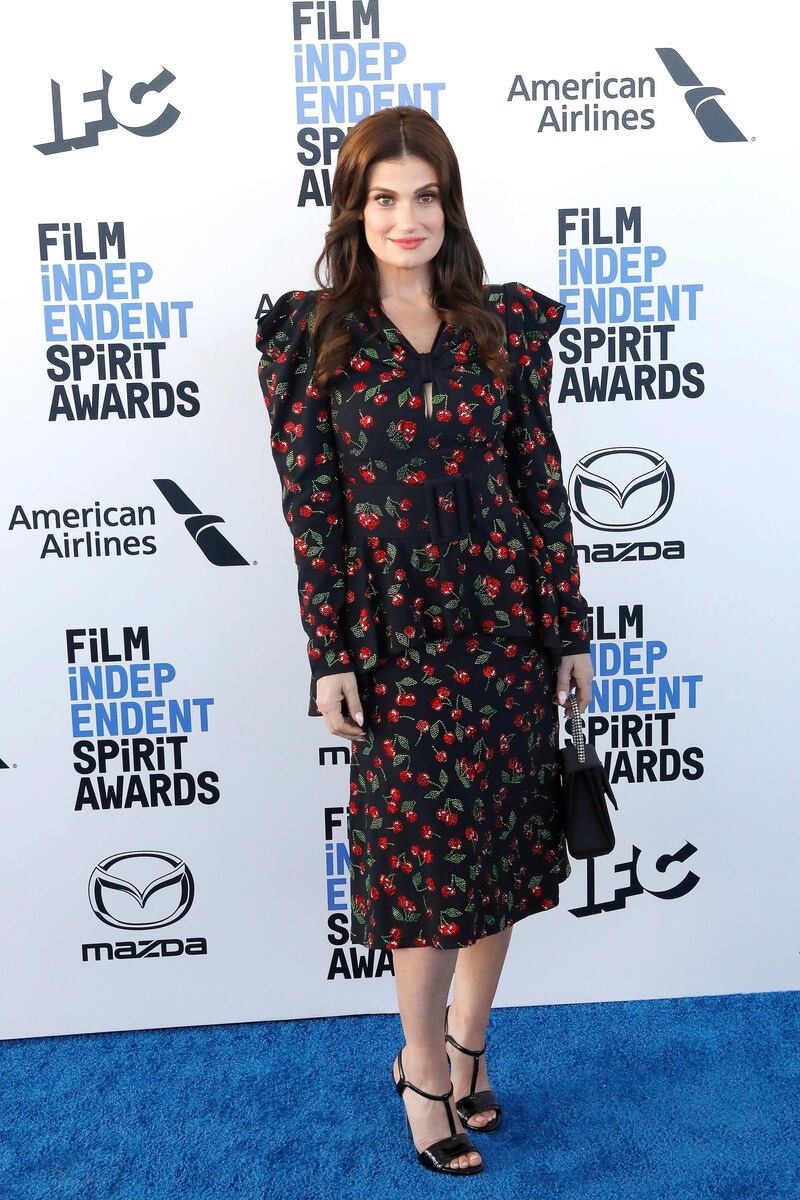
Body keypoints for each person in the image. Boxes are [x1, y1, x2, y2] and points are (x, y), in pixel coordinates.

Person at [255, 106, 593, 1177]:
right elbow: (312, 512)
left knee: (498, 859)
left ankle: (470, 1047)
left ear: (450, 204)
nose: (407, 217)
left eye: (427, 194)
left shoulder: (501, 327)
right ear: (354, 209)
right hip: (395, 649)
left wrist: (566, 630)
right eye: (384, 196)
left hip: (503, 635)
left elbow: (538, 487)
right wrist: (330, 655)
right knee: (423, 880)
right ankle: (419, 1070)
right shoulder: (314, 336)